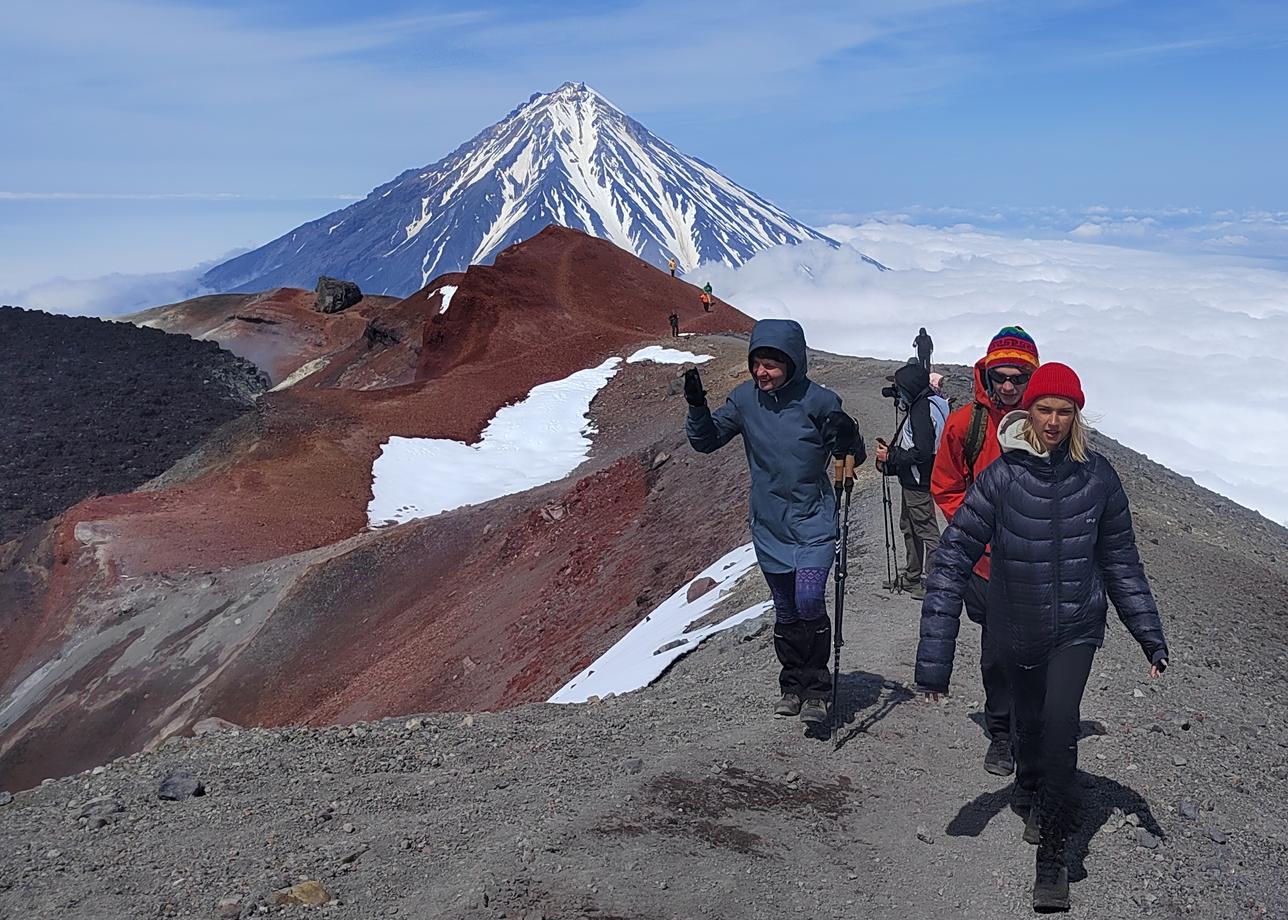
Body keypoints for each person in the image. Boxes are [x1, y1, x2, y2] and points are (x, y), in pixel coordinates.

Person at [915, 362, 1169, 912]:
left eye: (1064, 411)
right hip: (1015, 626)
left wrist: (1149, 634)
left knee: (1058, 727)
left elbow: (1121, 561)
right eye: (1044, 409)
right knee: (1030, 725)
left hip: (1077, 627)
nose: (1053, 421)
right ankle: (1031, 789)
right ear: (1027, 412)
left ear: (1078, 416)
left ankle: (1052, 855)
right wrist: (934, 659)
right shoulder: (1002, 478)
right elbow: (953, 557)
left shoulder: (1099, 477)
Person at [685, 319, 863, 725]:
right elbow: (706, 440)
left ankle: (817, 688)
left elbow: (851, 458)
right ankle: (791, 685)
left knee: (808, 600)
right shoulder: (745, 400)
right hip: (769, 526)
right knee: (784, 609)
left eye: (771, 365)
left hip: (813, 521)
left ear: (793, 363)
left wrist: (847, 434)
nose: (761, 373)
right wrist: (697, 406)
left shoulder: (820, 401)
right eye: (757, 364)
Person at [930, 325, 1040, 777]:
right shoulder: (966, 424)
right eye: (1001, 377)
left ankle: (1030, 732)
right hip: (989, 563)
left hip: (1037, 565)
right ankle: (1001, 732)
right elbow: (946, 485)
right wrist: (979, 530)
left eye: (1018, 377)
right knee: (997, 651)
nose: (1009, 386)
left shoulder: (1049, 421)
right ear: (987, 375)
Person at [874, 363, 948, 599]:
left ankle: (935, 583)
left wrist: (890, 456)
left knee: (926, 530)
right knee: (910, 525)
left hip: (918, 480)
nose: (898, 392)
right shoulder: (934, 402)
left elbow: (922, 452)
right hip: (920, 478)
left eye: (901, 387)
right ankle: (913, 575)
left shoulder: (920, 410)